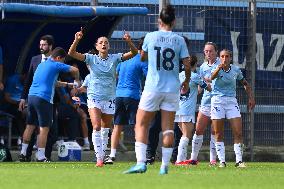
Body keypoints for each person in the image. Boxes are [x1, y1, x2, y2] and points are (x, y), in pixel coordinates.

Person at [124, 5, 191, 175]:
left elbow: (142, 56)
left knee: (141, 123)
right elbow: (187, 64)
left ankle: (141, 163)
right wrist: (187, 81)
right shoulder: (179, 40)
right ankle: (164, 166)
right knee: (168, 127)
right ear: (174, 21)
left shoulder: (150, 37)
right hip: (172, 88)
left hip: (153, 87)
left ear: (159, 21)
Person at [68, 28, 138, 167]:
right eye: (101, 42)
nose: (104, 44)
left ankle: (103, 154)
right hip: (94, 97)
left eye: (106, 42)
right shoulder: (91, 58)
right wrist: (77, 40)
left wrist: (129, 42)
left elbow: (134, 53)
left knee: (106, 128)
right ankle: (99, 158)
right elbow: (72, 53)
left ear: (109, 46)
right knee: (96, 125)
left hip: (110, 97)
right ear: (97, 46)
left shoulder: (115, 58)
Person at [19, 47, 80, 162]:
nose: (62, 64)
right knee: (44, 128)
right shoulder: (56, 64)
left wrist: (68, 84)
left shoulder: (42, 65)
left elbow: (53, 82)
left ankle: (23, 153)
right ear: (58, 58)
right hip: (44, 98)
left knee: (30, 126)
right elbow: (75, 70)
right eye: (62, 61)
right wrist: (76, 81)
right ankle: (41, 156)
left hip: (31, 97)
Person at [104, 37, 148, 164]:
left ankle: (112, 155)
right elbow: (149, 76)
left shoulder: (123, 60)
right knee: (137, 126)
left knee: (117, 126)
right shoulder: (142, 59)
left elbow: (116, 75)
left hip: (119, 95)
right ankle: (140, 157)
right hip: (133, 96)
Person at [210, 49, 255, 168]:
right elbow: (211, 78)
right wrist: (218, 68)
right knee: (218, 133)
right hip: (217, 101)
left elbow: (244, 83)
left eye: (227, 56)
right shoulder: (216, 68)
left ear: (230, 58)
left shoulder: (235, 70)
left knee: (238, 132)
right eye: (222, 56)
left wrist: (251, 97)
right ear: (220, 58)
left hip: (231, 102)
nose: (224, 59)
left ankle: (239, 161)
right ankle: (222, 161)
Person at [18, 35, 58, 161]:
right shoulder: (35, 59)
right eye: (40, 44)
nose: (41, 47)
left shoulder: (56, 61)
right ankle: (27, 155)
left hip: (50, 100)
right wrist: (23, 98)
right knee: (33, 126)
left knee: (50, 131)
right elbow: (28, 79)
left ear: (50, 46)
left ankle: (45, 156)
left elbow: (59, 81)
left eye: (44, 44)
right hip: (35, 98)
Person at [175, 55, 211, 165]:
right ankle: (179, 160)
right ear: (195, 65)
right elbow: (208, 88)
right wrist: (207, 80)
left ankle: (182, 159)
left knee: (184, 135)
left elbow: (196, 91)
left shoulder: (179, 75)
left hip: (177, 109)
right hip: (187, 110)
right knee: (186, 135)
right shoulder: (195, 76)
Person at [189, 42, 220, 165]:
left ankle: (213, 159)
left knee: (214, 131)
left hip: (218, 102)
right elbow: (201, 86)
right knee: (198, 130)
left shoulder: (221, 64)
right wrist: (193, 94)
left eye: (211, 51)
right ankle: (193, 158)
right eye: (206, 51)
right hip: (206, 102)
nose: (208, 53)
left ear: (216, 52)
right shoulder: (202, 67)